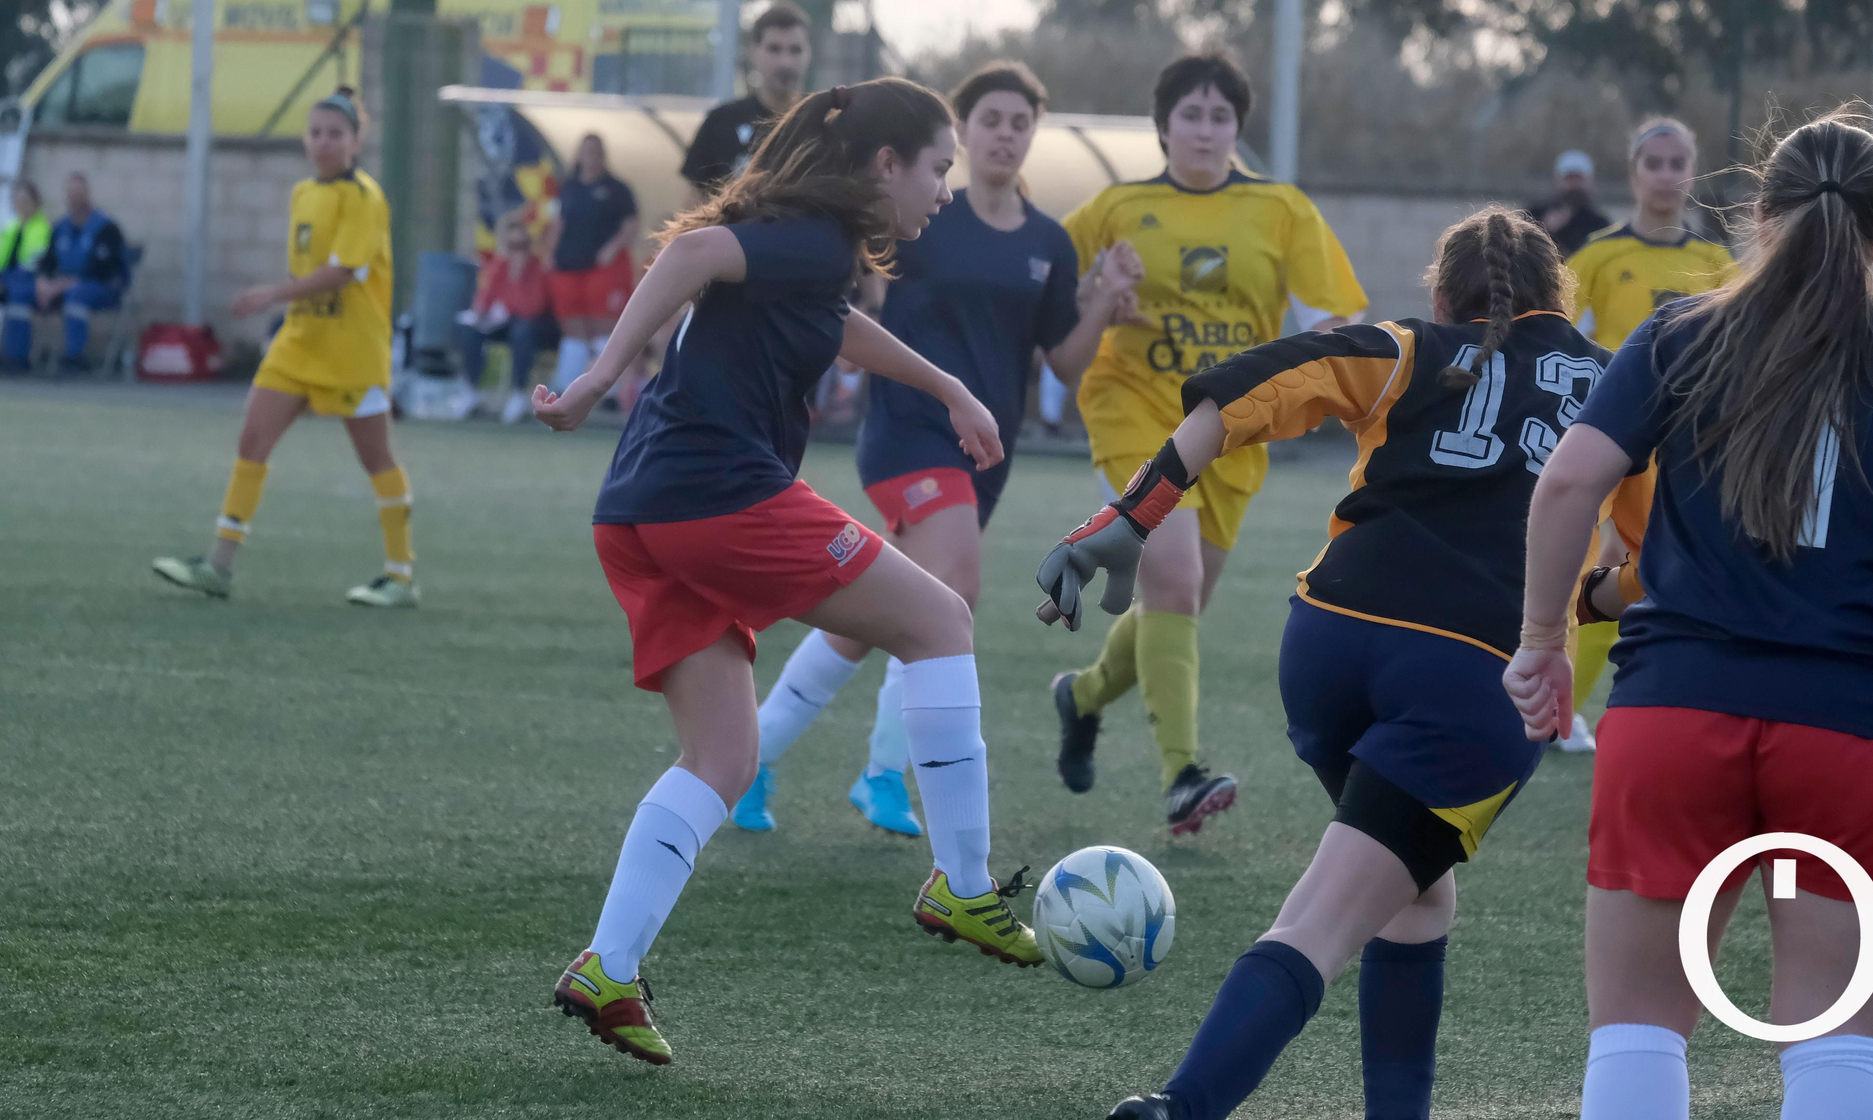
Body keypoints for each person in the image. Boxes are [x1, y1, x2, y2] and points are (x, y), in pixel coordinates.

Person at [1035, 207, 1646, 1120]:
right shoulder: (1617, 387)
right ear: (1563, 297)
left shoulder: (1411, 346)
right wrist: (1582, 599)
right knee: (1321, 921)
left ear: (1445, 296)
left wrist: (1134, 514)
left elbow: (1246, 390)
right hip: (1471, 673)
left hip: (1330, 641)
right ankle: (1180, 1107)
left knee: (1417, 898)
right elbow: (1669, 560)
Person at [535, 78, 1043, 1068]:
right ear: (884, 165)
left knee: (723, 756)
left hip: (640, 512)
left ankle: (607, 966)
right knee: (941, 620)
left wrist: (947, 387)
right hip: (717, 495)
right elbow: (691, 254)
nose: (943, 190)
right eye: (936, 168)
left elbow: (833, 323)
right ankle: (963, 881)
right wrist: (599, 375)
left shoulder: (812, 248)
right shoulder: (812, 237)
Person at [1503, 111, 1873, 1120]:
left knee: (1637, 1033)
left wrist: (1544, 640)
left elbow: (1566, 485)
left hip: (1674, 717)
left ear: (1759, 222)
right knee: (1834, 1047)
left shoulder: (1680, 333)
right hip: (1855, 729)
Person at [731, 61, 1139, 836]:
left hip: (983, 450)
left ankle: (754, 757)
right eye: (991, 120)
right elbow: (855, 285)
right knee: (954, 588)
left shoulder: (1048, 241)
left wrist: (1106, 304)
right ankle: (884, 774)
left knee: (870, 615)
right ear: (963, 131)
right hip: (910, 430)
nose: (1006, 135)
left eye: (1021, 122)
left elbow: (1064, 362)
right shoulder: (926, 213)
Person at [1051, 52, 1369, 835]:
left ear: (1237, 127)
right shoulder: (1115, 206)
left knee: (1181, 598)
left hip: (1233, 424)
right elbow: (1051, 300)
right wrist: (1101, 295)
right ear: (1162, 126)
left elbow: (1337, 316)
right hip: (1133, 408)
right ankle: (1182, 775)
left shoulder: (1281, 209)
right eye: (1189, 114)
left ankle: (1082, 696)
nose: (1204, 129)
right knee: (1175, 573)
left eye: (1219, 116)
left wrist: (1303, 376)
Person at [150, 88, 415, 608]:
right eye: (315, 133)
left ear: (356, 142)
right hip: (298, 344)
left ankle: (401, 576)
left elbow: (343, 272)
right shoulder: (302, 193)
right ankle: (218, 566)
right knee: (252, 442)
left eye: (335, 134)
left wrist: (272, 294)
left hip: (351, 351)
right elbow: (307, 272)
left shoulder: (364, 197)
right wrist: (284, 309)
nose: (323, 142)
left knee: (377, 458)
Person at [1560, 116, 1736, 752]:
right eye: (1653, 163)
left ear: (1693, 171)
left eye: (1677, 163)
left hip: (1690, 447)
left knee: (1663, 577)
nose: (1665, 175)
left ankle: (1608, 712)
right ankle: (1560, 714)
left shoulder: (1716, 264)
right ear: (1632, 173)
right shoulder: (1598, 255)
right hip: (1613, 442)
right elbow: (1554, 336)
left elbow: (1739, 356)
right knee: (1607, 569)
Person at [680, 0, 811, 194]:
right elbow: (695, 203)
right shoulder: (721, 123)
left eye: (795, 50)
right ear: (754, 53)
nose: (785, 62)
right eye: (774, 49)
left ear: (809, 53)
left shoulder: (824, 123)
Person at [3, 172, 127, 374]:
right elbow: (47, 262)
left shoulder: (106, 228)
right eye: (71, 193)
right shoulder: (60, 228)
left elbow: (101, 271)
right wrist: (43, 282)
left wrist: (61, 285)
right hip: (60, 287)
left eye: (79, 192)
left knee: (75, 295)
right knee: (21, 293)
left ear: (87, 194)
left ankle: (74, 358)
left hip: (100, 288)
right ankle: (16, 359)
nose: (75, 197)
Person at [544, 133, 639, 395]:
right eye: (586, 152)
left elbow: (631, 225)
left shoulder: (618, 189)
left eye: (596, 152)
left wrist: (613, 248)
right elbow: (559, 221)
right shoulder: (568, 187)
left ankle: (607, 389)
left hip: (600, 268)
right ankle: (568, 386)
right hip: (568, 266)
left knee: (603, 323)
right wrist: (550, 250)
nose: (591, 157)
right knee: (573, 325)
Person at [458, 213, 557, 423]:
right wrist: (482, 313)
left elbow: (532, 308)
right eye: (512, 246)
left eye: (522, 245)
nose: (517, 252)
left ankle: (519, 392)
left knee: (522, 331)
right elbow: (482, 302)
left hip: (535, 326)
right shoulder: (499, 266)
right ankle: (472, 390)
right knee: (469, 331)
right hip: (503, 323)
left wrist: (516, 277)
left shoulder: (537, 267)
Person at [0, 180, 51, 375]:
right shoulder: (11, 227)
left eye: (25, 201)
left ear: (35, 202)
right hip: (6, 277)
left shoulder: (42, 229)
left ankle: (16, 358)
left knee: (18, 299)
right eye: (17, 201)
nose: (21, 206)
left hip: (27, 280)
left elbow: (34, 264)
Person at [1527, 150, 1611, 258]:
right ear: (1556, 181)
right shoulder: (1535, 213)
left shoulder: (1599, 224)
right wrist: (1544, 230)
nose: (1574, 185)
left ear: (1591, 182)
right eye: (1569, 179)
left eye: (1579, 179)